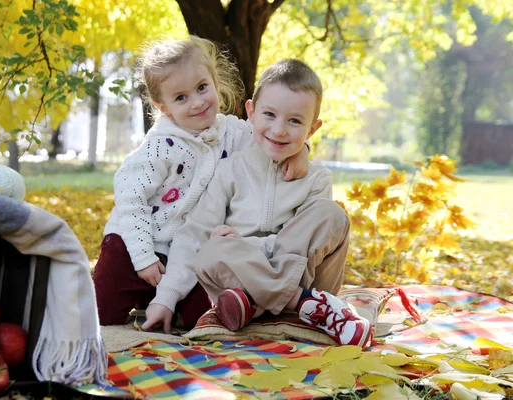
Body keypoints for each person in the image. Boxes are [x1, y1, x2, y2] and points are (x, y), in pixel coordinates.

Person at [143, 59, 372, 347]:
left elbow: (305, 245)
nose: (278, 130)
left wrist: (247, 246)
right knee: (210, 250)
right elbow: (194, 234)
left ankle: (256, 301)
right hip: (246, 280)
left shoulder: (316, 179)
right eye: (269, 115)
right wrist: (166, 297)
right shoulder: (229, 169)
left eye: (295, 121)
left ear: (312, 129)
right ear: (251, 112)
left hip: (296, 278)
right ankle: (300, 305)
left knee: (333, 215)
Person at [93, 37, 312, 330]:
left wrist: (302, 151)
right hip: (131, 245)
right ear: (164, 107)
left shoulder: (233, 132)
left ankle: (160, 300)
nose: (197, 102)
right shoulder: (159, 146)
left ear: (214, 81)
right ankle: (125, 293)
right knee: (100, 315)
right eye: (181, 98)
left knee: (203, 318)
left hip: (187, 254)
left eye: (202, 88)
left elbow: (273, 135)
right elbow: (130, 200)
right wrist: (142, 257)